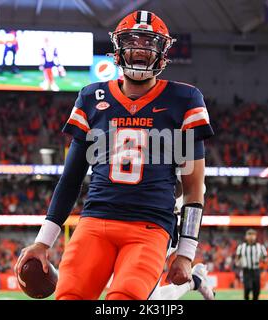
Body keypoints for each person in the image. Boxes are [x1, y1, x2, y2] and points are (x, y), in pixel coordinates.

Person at [15, 10, 214, 300]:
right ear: (118, 48)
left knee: (124, 299)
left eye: (149, 43)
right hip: (95, 221)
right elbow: (70, 180)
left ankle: (191, 281)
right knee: (70, 295)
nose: (140, 50)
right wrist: (43, 242)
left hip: (150, 225)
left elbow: (195, 189)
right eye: (132, 41)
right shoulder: (91, 97)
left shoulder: (184, 100)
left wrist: (185, 253)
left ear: (163, 52)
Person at [235, 229, 268, 300]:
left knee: (256, 290)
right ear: (246, 236)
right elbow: (237, 258)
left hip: (256, 270)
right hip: (246, 270)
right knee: (247, 288)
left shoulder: (260, 247)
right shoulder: (241, 247)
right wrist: (238, 262)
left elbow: (265, 258)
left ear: (255, 236)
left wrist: (263, 261)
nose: (251, 237)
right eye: (249, 235)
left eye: (252, 235)